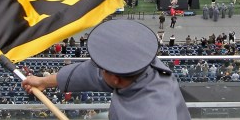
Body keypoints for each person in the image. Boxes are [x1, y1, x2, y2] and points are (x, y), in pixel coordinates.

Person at [22, 20, 190, 120]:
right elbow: (91, 74)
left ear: (115, 79)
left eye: (103, 69)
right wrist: (43, 81)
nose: (99, 70)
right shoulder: (140, 67)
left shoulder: (152, 113)